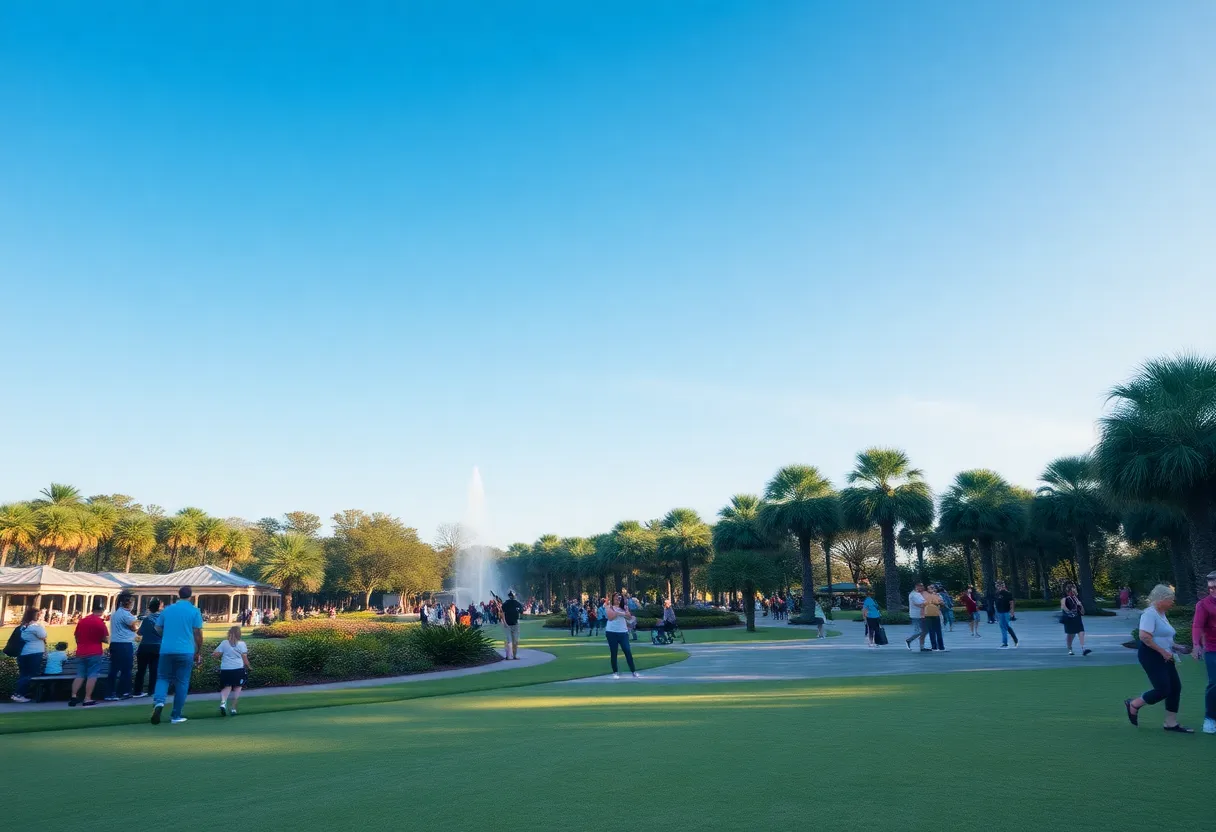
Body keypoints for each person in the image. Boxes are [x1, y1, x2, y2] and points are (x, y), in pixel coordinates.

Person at [1124, 584, 1191, 733]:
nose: (1172, 602)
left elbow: (1164, 637)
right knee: (1163, 689)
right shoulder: (1149, 614)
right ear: (1161, 599)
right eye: (1170, 599)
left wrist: (1177, 647)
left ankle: (1170, 723)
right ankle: (1134, 704)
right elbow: (1144, 637)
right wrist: (1162, 652)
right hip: (1152, 656)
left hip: (1166, 655)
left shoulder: (1162, 614)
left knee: (1175, 688)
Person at [151, 586, 204, 725]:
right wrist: (198, 650)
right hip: (186, 649)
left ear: (178, 595)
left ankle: (159, 702)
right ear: (191, 596)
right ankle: (176, 715)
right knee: (182, 682)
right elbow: (197, 633)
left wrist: (166, 636)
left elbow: (157, 627)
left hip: (166, 649)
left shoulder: (167, 609)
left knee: (163, 678)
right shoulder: (194, 610)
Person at [69, 598, 110, 707]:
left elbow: (76, 636)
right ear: (101, 611)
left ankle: (73, 696)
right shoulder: (100, 622)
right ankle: (87, 698)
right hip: (94, 651)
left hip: (81, 651)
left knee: (80, 674)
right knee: (92, 674)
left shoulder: (82, 621)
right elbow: (105, 639)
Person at [1191, 570, 1216, 734]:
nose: (1212, 590)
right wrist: (1196, 645)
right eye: (1210, 587)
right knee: (1214, 683)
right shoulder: (1203, 604)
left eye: (1215, 587)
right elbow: (1197, 625)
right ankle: (1210, 719)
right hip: (1213, 649)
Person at [104, 593, 138, 701]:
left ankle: (110, 692)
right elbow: (134, 627)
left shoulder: (116, 613)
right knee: (126, 669)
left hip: (115, 643)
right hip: (124, 644)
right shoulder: (126, 614)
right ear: (128, 603)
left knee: (114, 669)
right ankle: (124, 691)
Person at [212, 625, 250, 716]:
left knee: (227, 687)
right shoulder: (242, 644)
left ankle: (223, 703)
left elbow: (215, 654)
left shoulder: (224, 643)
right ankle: (233, 708)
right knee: (237, 688)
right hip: (238, 669)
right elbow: (244, 658)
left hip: (226, 669)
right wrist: (249, 666)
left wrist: (215, 654)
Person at [11, 608, 47, 703]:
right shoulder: (35, 627)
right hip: (34, 653)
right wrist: (41, 625)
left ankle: (18, 693)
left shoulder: (23, 626)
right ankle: (19, 693)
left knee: (23, 674)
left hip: (23, 653)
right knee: (30, 674)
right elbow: (43, 635)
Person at [604, 592, 639, 679]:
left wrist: (619, 613)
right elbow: (610, 617)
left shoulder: (625, 607)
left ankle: (633, 671)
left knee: (627, 650)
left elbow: (629, 617)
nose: (618, 599)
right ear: (613, 599)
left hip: (623, 632)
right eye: (616, 598)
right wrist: (621, 614)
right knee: (614, 652)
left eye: (619, 598)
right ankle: (615, 672)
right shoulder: (609, 607)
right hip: (611, 632)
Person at [133, 598, 163, 698]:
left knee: (141, 670)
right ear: (159, 607)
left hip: (144, 646)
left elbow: (139, 632)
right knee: (154, 670)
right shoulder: (162, 619)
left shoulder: (146, 619)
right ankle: (152, 690)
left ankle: (137, 691)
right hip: (157, 646)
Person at [1060, 582, 1090, 656]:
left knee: (1081, 632)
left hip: (1077, 619)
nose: (1074, 592)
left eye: (1074, 590)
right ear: (1068, 591)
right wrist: (1070, 612)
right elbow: (1064, 607)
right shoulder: (1064, 599)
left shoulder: (1077, 599)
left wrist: (1080, 606)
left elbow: (1083, 612)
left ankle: (1083, 648)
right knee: (1071, 635)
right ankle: (1070, 649)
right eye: (1072, 590)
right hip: (1069, 619)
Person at [994, 581, 1019, 649]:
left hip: (1006, 612)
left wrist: (1012, 613)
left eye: (1000, 585)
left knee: (1005, 626)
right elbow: (995, 604)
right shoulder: (996, 593)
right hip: (999, 612)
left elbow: (1011, 603)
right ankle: (1007, 642)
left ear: (1003, 586)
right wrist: (995, 614)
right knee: (1004, 627)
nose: (999, 587)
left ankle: (1011, 641)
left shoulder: (1008, 593)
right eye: (998, 586)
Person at [905, 583, 929, 651]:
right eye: (921, 586)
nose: (923, 587)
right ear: (917, 587)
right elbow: (921, 604)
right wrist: (928, 602)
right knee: (919, 631)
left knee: (925, 630)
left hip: (922, 614)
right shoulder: (914, 595)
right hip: (916, 615)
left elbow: (924, 603)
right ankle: (909, 640)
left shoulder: (918, 594)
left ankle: (922, 647)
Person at [922, 585, 946, 651]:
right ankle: (936, 647)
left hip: (935, 614)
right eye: (930, 588)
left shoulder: (937, 595)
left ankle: (939, 646)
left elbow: (942, 604)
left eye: (933, 588)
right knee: (933, 631)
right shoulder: (926, 596)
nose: (932, 590)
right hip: (929, 615)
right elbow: (923, 604)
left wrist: (936, 602)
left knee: (937, 631)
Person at [501, 590, 524, 660]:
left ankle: (512, 655)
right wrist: (504, 622)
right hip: (510, 624)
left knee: (513, 641)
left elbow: (521, 611)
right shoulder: (508, 603)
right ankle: (511, 656)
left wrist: (504, 622)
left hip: (513, 624)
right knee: (511, 641)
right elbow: (502, 613)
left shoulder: (513, 603)